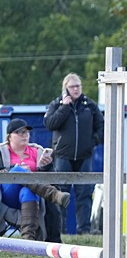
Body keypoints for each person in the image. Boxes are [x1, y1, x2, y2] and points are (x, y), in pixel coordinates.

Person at [44, 72, 104, 235]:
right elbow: (50, 124)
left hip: (84, 156)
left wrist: (93, 141)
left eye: (78, 86)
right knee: (61, 194)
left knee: (84, 194)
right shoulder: (56, 104)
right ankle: (60, 231)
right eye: (72, 86)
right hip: (63, 156)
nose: (76, 89)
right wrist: (64, 107)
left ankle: (84, 231)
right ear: (66, 88)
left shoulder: (89, 105)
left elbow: (102, 126)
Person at [0, 119, 71, 240]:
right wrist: (15, 170)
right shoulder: (1, 152)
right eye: (20, 132)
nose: (25, 135)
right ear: (9, 136)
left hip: (34, 198)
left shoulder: (38, 152)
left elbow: (51, 179)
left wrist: (46, 167)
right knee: (18, 171)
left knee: (28, 191)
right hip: (7, 197)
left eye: (26, 132)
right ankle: (54, 194)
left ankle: (29, 239)